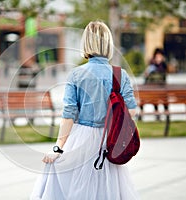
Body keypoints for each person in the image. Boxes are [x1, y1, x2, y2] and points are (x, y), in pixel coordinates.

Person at [30, 21, 139, 200]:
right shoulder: (120, 75)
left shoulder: (76, 74)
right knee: (109, 189)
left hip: (81, 139)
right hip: (110, 140)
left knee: (76, 189)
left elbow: (69, 115)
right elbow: (131, 111)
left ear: (86, 43)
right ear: (108, 44)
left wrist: (58, 148)